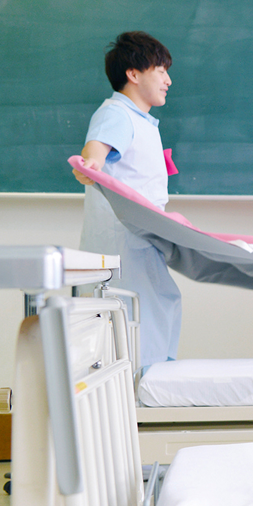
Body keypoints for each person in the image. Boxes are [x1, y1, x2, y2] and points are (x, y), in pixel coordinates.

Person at [72, 31, 182, 369]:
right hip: (124, 245)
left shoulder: (140, 120)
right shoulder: (117, 113)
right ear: (133, 74)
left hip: (140, 239)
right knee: (136, 322)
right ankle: (142, 387)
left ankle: (149, 381)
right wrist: (91, 164)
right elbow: (96, 149)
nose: (168, 80)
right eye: (161, 71)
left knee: (158, 306)